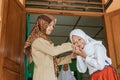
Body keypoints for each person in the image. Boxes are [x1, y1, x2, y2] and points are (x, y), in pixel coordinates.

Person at [24, 14, 72, 80]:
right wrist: (71, 45)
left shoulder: (45, 41)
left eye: (53, 26)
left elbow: (54, 61)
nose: (52, 28)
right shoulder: (38, 40)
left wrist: (71, 57)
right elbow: (53, 51)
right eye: (49, 25)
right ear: (42, 24)